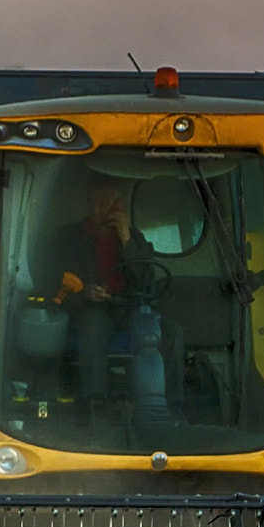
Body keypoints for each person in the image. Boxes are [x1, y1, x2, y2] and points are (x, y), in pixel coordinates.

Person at [52, 175, 185, 410]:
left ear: (116, 206)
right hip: (92, 309)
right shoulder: (71, 236)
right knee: (93, 326)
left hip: (131, 309)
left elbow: (147, 284)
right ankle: (96, 402)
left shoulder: (135, 239)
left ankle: (173, 406)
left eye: (103, 203)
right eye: (91, 202)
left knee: (171, 331)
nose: (96, 209)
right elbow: (55, 283)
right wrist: (85, 293)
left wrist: (126, 238)